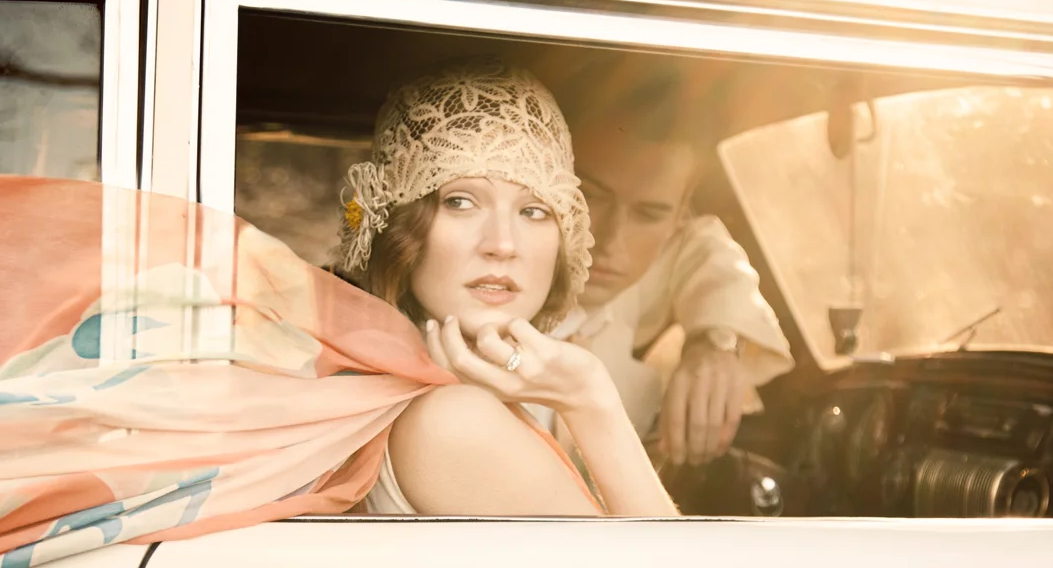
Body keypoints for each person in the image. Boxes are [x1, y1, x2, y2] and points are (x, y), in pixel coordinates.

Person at [337, 60, 676, 517]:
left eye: (534, 211)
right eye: (460, 202)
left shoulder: (412, 396)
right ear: (400, 226)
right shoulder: (456, 420)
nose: (502, 244)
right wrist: (593, 400)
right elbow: (668, 564)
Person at [544, 58, 795, 468]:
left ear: (678, 217)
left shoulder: (643, 275)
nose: (609, 241)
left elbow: (705, 246)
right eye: (590, 197)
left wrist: (715, 342)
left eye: (649, 214)